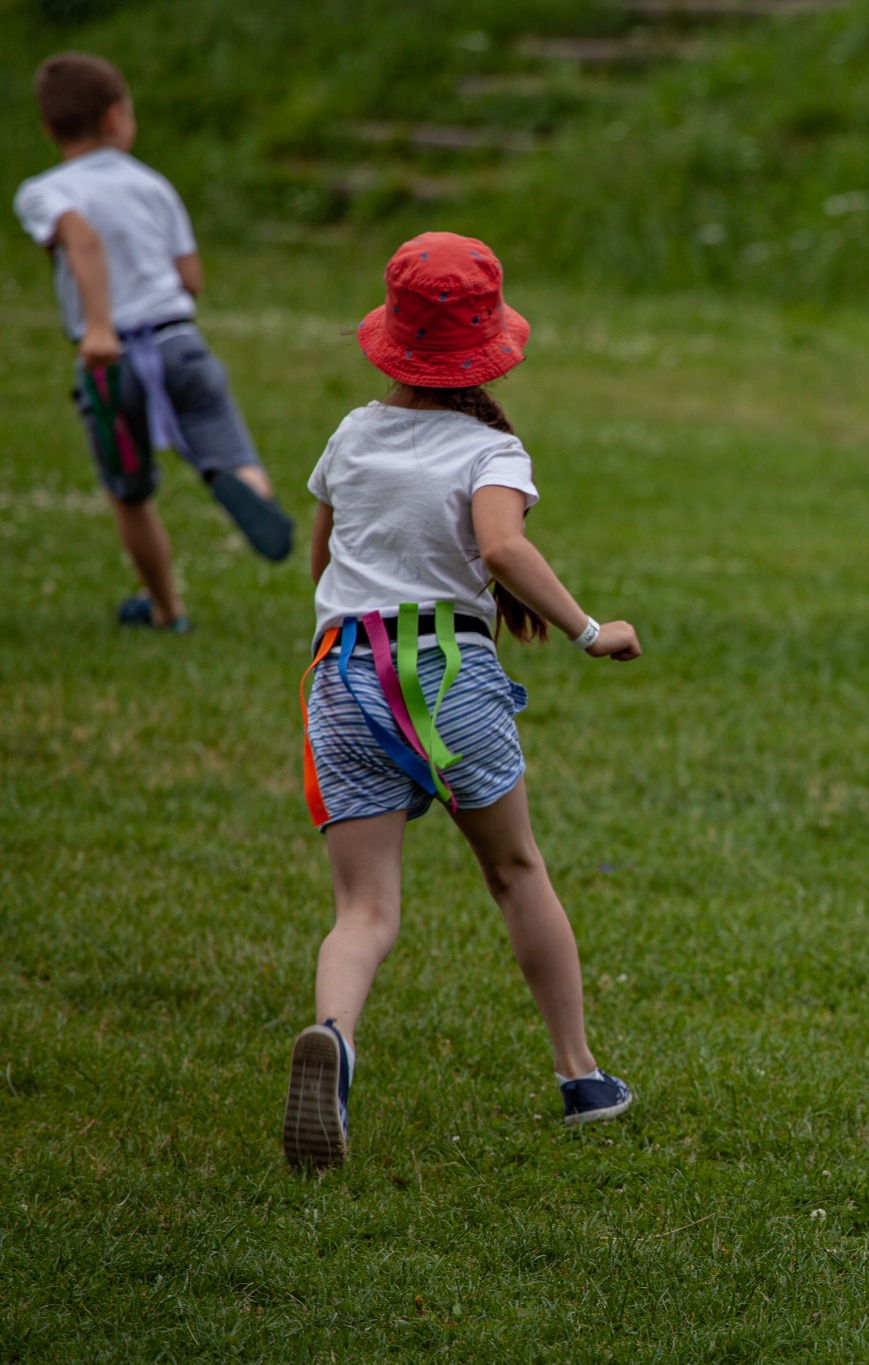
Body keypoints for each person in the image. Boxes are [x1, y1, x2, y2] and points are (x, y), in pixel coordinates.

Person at [282, 232, 640, 1170]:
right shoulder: (491, 450)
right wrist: (589, 630)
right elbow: (503, 550)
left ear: (391, 336)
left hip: (343, 671)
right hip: (446, 675)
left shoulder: (350, 434)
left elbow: (322, 562)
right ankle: (581, 1077)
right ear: (489, 346)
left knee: (363, 908)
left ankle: (334, 1037)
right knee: (515, 870)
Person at [12, 52, 293, 631]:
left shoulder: (44, 191)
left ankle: (166, 609)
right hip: (180, 344)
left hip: (111, 364)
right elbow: (190, 278)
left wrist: (98, 326)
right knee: (231, 452)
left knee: (131, 493)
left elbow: (80, 236)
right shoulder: (152, 184)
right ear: (116, 117)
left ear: (48, 128)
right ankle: (244, 487)